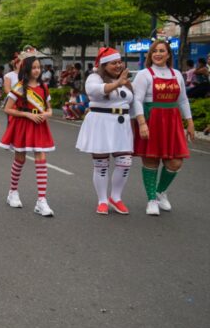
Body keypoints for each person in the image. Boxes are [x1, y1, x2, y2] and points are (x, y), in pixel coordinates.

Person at [132, 39, 194, 216]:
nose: (157, 54)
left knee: (175, 161)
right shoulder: (144, 74)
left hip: (172, 121)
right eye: (154, 51)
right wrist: (142, 123)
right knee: (151, 160)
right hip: (152, 119)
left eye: (161, 51)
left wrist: (189, 122)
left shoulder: (176, 74)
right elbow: (137, 100)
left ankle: (160, 192)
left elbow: (182, 100)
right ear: (150, 55)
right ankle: (151, 199)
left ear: (168, 54)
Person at [75, 47, 134, 215]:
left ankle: (116, 197)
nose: (118, 65)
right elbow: (94, 91)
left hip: (121, 124)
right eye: (113, 63)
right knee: (101, 164)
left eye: (119, 62)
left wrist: (141, 121)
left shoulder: (125, 80)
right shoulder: (95, 77)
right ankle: (102, 200)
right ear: (104, 65)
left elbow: (133, 101)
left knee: (125, 162)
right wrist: (117, 83)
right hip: (100, 122)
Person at [0, 55, 55, 217]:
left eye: (39, 67)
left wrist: (46, 114)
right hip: (23, 124)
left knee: (41, 158)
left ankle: (41, 200)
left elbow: (50, 109)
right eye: (34, 67)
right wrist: (27, 115)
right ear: (27, 69)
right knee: (20, 158)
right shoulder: (19, 87)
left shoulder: (44, 88)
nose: (37, 70)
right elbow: (7, 109)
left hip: (39, 125)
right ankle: (13, 192)